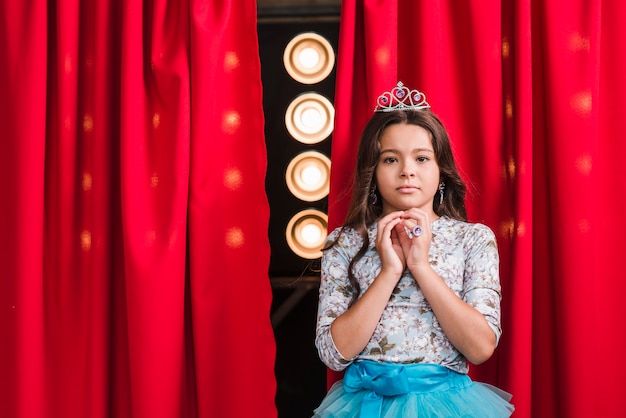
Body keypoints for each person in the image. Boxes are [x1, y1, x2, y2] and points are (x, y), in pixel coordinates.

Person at [313, 82, 514, 417]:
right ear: (373, 172)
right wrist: (389, 271)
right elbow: (334, 354)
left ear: (441, 171)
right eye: (390, 159)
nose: (407, 170)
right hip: (364, 406)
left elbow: (481, 348)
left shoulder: (473, 239)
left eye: (422, 158)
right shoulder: (344, 242)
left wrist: (421, 266)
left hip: (447, 406)